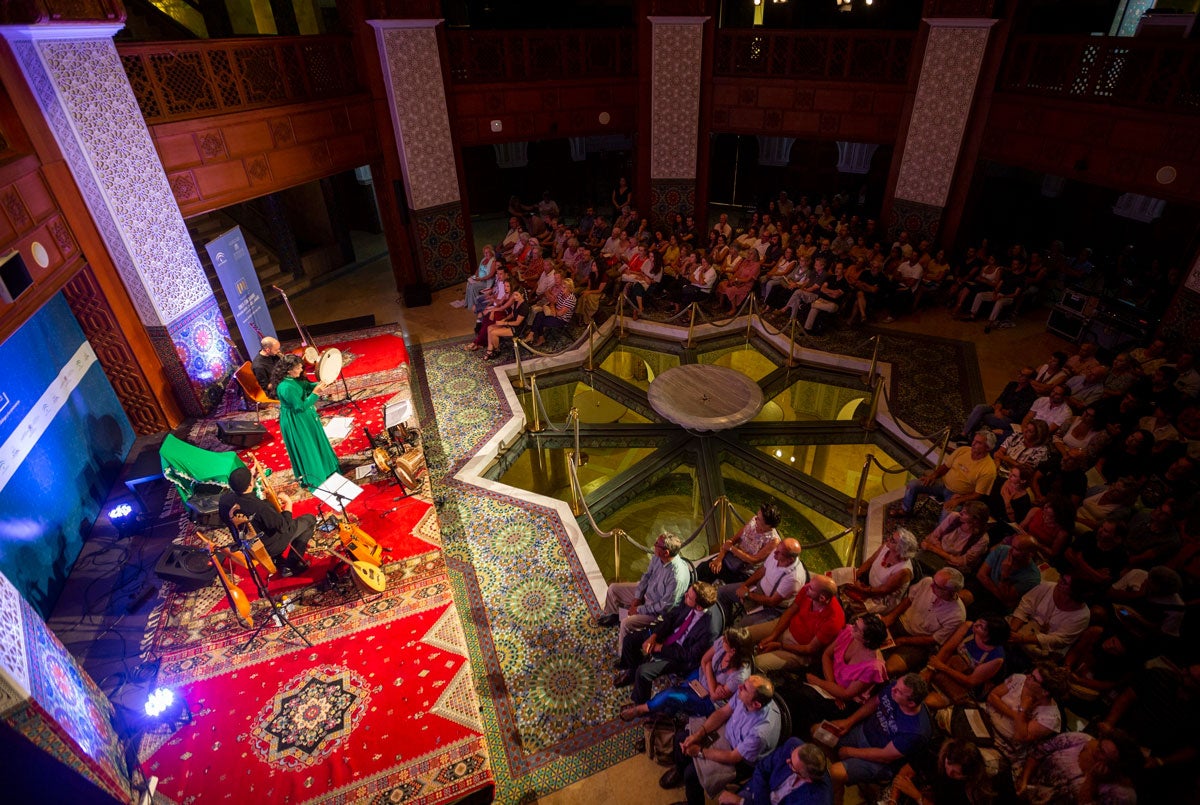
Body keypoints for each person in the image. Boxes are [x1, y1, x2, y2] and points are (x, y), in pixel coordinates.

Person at [660, 676, 782, 805]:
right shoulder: (745, 695)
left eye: (744, 688)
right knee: (681, 737)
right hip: (728, 733)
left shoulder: (760, 733)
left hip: (740, 759)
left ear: (756, 704)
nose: (740, 687)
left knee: (692, 773)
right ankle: (679, 771)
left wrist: (699, 751)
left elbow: (733, 757)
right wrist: (699, 735)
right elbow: (724, 712)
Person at [826, 674, 933, 804]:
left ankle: (836, 797)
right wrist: (849, 721)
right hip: (863, 732)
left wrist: (850, 752)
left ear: (911, 703)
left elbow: (884, 756)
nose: (893, 689)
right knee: (819, 732)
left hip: (879, 761)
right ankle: (844, 768)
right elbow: (876, 701)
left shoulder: (915, 731)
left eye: (898, 691)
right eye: (896, 685)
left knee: (834, 773)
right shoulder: (895, 687)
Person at [614, 582, 720, 704]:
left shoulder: (709, 630)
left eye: (689, 597)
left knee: (643, 672)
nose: (685, 595)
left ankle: (640, 704)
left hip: (679, 656)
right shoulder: (688, 602)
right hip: (668, 636)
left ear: (699, 607)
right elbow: (670, 618)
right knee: (629, 640)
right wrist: (654, 636)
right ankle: (632, 671)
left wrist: (661, 648)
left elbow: (689, 655)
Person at [620, 626, 753, 722]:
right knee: (680, 690)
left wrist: (708, 669)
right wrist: (712, 678)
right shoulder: (722, 643)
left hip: (709, 702)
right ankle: (662, 716)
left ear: (733, 651)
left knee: (671, 693)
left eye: (726, 642)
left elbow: (714, 696)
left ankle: (641, 709)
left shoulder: (739, 676)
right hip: (700, 677)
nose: (722, 640)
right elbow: (704, 660)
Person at [787, 614, 889, 737]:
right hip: (830, 677)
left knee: (803, 697)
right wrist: (831, 685)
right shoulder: (849, 632)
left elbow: (847, 694)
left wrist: (818, 682)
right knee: (793, 687)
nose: (853, 627)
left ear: (867, 640)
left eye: (857, 628)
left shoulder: (873, 667)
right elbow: (827, 655)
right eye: (856, 624)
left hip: (846, 699)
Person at [596, 532, 691, 648]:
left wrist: (639, 609)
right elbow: (647, 576)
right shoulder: (658, 557)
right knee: (613, 589)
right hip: (648, 593)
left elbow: (663, 607)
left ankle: (625, 658)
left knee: (626, 624)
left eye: (657, 544)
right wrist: (637, 597)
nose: (654, 545)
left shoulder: (676, 578)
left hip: (658, 612)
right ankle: (616, 615)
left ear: (666, 552)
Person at [218, 465, 314, 575]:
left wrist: (251, 477)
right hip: (267, 547)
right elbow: (283, 526)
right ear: (250, 484)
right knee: (309, 520)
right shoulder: (259, 507)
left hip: (246, 543)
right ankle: (292, 565)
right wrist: (288, 503)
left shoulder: (223, 500)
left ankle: (278, 560)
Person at [890, 431, 997, 521]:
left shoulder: (989, 469)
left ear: (987, 448)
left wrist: (958, 500)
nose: (973, 444)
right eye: (974, 440)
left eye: (979, 443)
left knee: (947, 515)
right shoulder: (963, 450)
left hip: (958, 495)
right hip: (942, 483)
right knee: (913, 484)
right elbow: (945, 466)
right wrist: (933, 476)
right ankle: (905, 510)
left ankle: (937, 538)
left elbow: (978, 495)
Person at [881, 568, 967, 675]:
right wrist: (891, 617)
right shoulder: (928, 582)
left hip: (918, 643)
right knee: (865, 639)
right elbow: (908, 600)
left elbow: (934, 639)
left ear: (951, 592)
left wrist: (904, 640)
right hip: (900, 623)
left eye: (936, 585)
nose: (931, 585)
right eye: (933, 579)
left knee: (889, 668)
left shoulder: (957, 615)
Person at [748, 576, 845, 672]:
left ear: (822, 598)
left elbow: (809, 649)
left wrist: (779, 645)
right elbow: (791, 610)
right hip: (787, 628)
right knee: (743, 635)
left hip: (799, 652)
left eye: (811, 587)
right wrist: (774, 635)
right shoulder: (808, 591)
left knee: (756, 664)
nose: (806, 586)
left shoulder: (833, 620)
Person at [270, 355, 339, 489]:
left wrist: (322, 384)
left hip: (304, 416)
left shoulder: (293, 379)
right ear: (289, 370)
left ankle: (325, 469)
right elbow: (299, 407)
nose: (302, 369)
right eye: (298, 368)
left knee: (315, 441)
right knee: (308, 446)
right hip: (296, 420)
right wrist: (315, 393)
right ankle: (316, 477)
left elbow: (306, 386)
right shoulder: (285, 387)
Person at [921, 615, 1009, 708]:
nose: (977, 624)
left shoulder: (996, 657)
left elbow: (970, 681)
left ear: (988, 637)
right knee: (912, 686)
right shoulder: (968, 626)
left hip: (957, 686)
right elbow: (947, 649)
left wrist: (943, 668)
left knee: (928, 702)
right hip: (942, 668)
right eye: (980, 621)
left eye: (982, 627)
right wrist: (930, 670)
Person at [719, 538, 807, 626]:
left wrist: (747, 594)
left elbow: (772, 602)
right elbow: (762, 570)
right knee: (722, 592)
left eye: (779, 553)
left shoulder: (793, 579)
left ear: (790, 560)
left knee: (743, 625)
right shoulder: (776, 553)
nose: (775, 552)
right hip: (758, 588)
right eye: (777, 548)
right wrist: (745, 585)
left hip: (773, 607)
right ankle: (725, 620)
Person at [718, 738, 832, 805]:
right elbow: (762, 769)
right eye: (791, 756)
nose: (787, 760)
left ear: (807, 778)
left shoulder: (818, 800)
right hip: (758, 790)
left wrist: (741, 802)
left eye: (791, 764)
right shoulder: (793, 745)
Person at [887, 738, 992, 805]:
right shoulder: (935, 750)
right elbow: (905, 772)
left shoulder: (970, 793)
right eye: (948, 763)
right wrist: (893, 801)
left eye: (956, 773)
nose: (949, 772)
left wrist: (917, 796)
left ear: (968, 776)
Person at [700, 500, 782, 585]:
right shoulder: (753, 521)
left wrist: (732, 549)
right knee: (705, 567)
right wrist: (719, 558)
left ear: (768, 525)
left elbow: (754, 560)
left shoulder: (773, 540)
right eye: (757, 515)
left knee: (712, 574)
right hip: (732, 559)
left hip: (743, 571)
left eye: (759, 519)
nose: (756, 518)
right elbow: (732, 540)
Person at [844, 528, 918, 614]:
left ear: (900, 550)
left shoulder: (903, 571)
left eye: (893, 540)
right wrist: (855, 575)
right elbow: (870, 561)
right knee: (843, 583)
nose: (888, 539)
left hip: (883, 598)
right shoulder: (886, 547)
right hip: (869, 587)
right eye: (891, 537)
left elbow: (883, 590)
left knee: (852, 607)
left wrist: (861, 590)